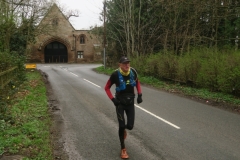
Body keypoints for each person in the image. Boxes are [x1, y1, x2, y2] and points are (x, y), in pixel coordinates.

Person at [104, 56, 143, 159]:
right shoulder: (115, 74)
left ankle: (124, 130)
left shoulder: (133, 72)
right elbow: (107, 88)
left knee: (130, 126)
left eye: (128, 63)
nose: (127, 65)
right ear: (119, 65)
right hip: (120, 103)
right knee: (121, 126)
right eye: (125, 63)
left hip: (130, 103)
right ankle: (123, 149)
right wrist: (113, 100)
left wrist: (140, 95)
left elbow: (137, 83)